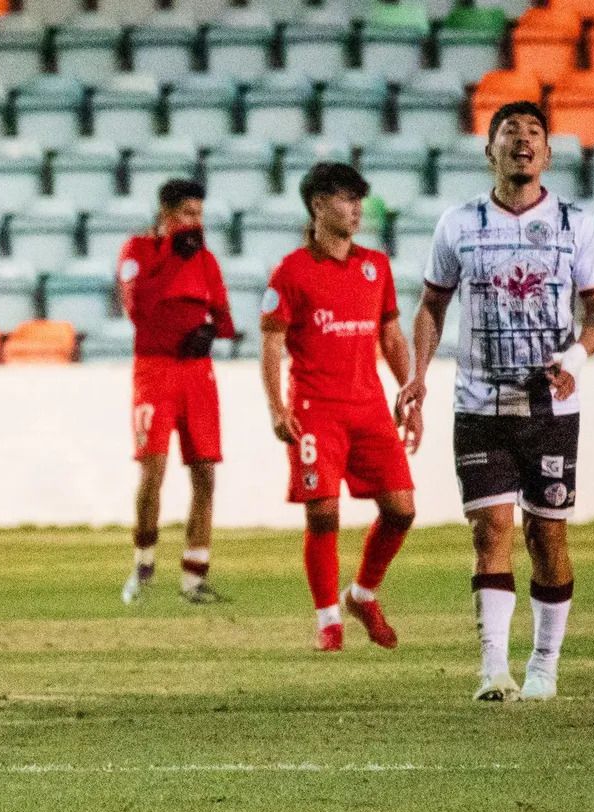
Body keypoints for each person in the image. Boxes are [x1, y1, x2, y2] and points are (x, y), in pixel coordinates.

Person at [396, 101, 594, 702]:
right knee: (490, 529)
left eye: (534, 133)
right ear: (488, 150)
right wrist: (418, 376)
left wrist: (576, 358)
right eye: (509, 132)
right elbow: (431, 306)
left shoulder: (577, 225)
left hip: (550, 409)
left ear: (548, 152)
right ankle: (494, 668)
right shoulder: (458, 224)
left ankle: (544, 665)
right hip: (479, 404)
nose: (523, 141)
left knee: (547, 536)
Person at [260, 162, 417, 653]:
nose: (356, 209)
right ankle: (328, 619)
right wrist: (276, 407)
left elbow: (390, 333)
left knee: (401, 509)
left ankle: (363, 594)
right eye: (346, 199)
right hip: (316, 409)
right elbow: (271, 342)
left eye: (358, 200)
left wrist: (409, 390)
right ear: (318, 205)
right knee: (323, 513)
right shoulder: (291, 271)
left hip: (369, 406)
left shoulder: (376, 266)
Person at [117, 180, 235, 606]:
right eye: (188, 214)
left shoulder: (205, 260)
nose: (196, 223)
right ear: (166, 215)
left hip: (197, 374)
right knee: (154, 472)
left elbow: (224, 319)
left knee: (205, 473)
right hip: (155, 371)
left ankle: (193, 576)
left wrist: (208, 331)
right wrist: (170, 256)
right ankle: (143, 564)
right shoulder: (139, 252)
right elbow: (138, 308)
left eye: (200, 215)